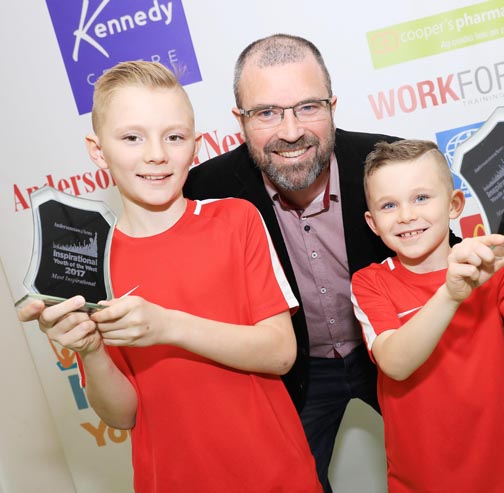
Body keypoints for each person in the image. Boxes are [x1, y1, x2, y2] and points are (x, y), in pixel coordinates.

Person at [18, 61, 322, 493]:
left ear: (194, 146)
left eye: (173, 137)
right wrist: (90, 351)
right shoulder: (90, 260)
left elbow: (279, 353)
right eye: (131, 137)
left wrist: (166, 325)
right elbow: (121, 415)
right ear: (97, 149)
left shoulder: (236, 220)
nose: (156, 154)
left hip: (277, 475)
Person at [183, 33, 461, 492]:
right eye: (267, 112)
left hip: (394, 349)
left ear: (333, 106)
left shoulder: (388, 164)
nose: (290, 131)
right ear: (240, 120)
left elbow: (448, 259)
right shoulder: (206, 191)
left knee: (449, 466)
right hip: (292, 373)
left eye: (308, 107)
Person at [351, 139, 504, 493]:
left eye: (421, 197)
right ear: (372, 223)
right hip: (419, 484)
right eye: (388, 205)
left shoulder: (496, 268)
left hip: (502, 481)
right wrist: (451, 294)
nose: (406, 216)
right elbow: (395, 363)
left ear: (454, 204)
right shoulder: (370, 282)